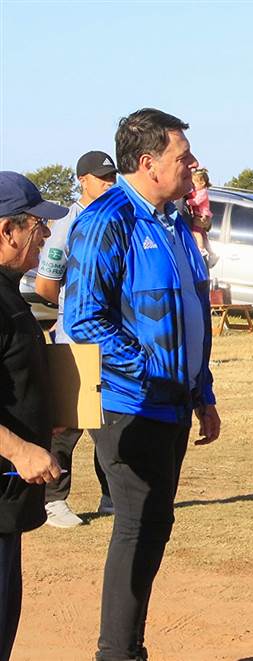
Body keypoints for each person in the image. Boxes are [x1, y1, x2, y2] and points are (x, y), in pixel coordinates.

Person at [64, 108, 222, 661]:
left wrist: (201, 391)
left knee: (154, 526)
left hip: (174, 405)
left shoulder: (174, 220)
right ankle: (117, 653)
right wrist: (148, 372)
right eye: (182, 156)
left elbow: (189, 309)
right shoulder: (108, 219)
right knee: (135, 528)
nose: (192, 164)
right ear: (149, 162)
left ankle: (128, 646)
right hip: (130, 406)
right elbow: (84, 318)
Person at [0, 171, 65, 661]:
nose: (45, 237)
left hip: (11, 499)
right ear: (8, 231)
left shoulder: (10, 294)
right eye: (38, 228)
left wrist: (49, 417)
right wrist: (20, 448)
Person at [34, 150, 117, 528]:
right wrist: (75, 309)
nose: (109, 184)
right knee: (69, 423)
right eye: (102, 178)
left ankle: (111, 497)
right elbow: (47, 284)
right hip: (75, 339)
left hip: (112, 339)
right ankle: (54, 502)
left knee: (111, 421)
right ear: (83, 180)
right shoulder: (66, 224)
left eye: (113, 177)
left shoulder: (117, 217)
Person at [186, 168, 217, 269]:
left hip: (202, 215)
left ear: (202, 183)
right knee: (203, 236)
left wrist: (187, 202)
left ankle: (201, 249)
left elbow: (196, 201)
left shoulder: (203, 192)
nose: (193, 187)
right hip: (201, 215)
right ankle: (212, 253)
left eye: (194, 184)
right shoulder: (199, 191)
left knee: (196, 232)